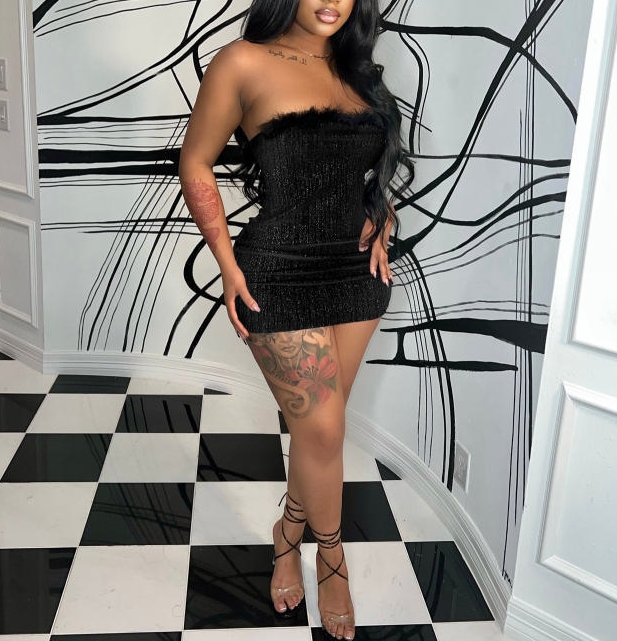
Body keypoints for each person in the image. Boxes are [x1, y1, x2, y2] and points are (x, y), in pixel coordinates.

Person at [178, 1, 413, 638]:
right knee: (326, 431)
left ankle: (287, 532)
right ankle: (331, 560)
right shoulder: (242, 61)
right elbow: (195, 160)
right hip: (278, 272)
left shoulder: (356, 71)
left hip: (356, 275)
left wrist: (382, 216)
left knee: (316, 434)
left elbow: (361, 173)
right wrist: (227, 263)